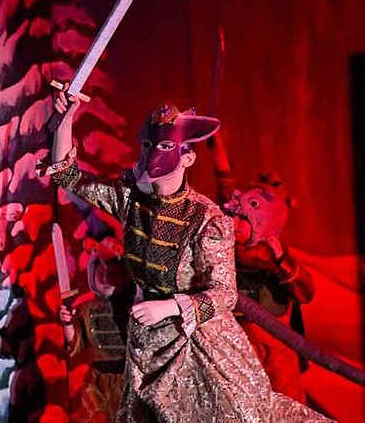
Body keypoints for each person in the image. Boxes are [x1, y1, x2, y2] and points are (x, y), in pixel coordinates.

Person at [44, 93, 330, 422]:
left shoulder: (207, 219)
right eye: (148, 146)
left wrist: (171, 307)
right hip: (148, 340)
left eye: (164, 147)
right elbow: (67, 176)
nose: (152, 155)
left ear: (188, 157)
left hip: (196, 341)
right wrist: (66, 120)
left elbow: (224, 293)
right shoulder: (130, 200)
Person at [212, 132, 315, 404]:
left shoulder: (273, 257)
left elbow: (306, 292)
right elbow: (225, 184)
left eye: (243, 219)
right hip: (238, 344)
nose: (235, 223)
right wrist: (217, 144)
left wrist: (281, 260)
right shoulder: (227, 247)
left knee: (285, 401)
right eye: (234, 217)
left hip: (275, 347)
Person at [58, 233, 132, 422]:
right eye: (101, 275)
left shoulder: (134, 307)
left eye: (113, 275)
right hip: (97, 385)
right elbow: (76, 344)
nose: (106, 279)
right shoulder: (86, 310)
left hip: (128, 379)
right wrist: (67, 324)